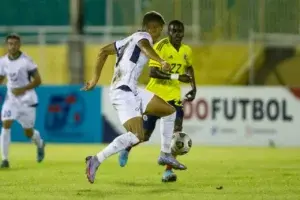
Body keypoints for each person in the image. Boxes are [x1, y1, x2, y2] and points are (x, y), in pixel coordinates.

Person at [81, 11, 187, 184]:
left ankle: (165, 154)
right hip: (122, 92)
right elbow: (145, 46)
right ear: (152, 28)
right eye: (159, 30)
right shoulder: (143, 36)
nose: (159, 34)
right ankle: (96, 160)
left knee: (169, 111)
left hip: (133, 90)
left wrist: (94, 80)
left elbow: (102, 52)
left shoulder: (126, 41)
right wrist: (161, 61)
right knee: (137, 135)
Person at [118, 20, 197, 182]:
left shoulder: (186, 50)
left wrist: (193, 87)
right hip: (155, 98)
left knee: (176, 134)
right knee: (144, 135)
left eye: (180, 31)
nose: (178, 34)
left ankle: (168, 171)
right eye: (174, 31)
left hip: (174, 98)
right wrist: (176, 76)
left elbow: (189, 67)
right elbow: (153, 73)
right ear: (169, 33)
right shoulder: (160, 47)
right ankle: (127, 147)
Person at [0, 34, 46, 168]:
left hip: (27, 100)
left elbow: (38, 80)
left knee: (28, 132)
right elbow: (1, 78)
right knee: (6, 124)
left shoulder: (27, 61)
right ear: (7, 45)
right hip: (11, 100)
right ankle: (5, 160)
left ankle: (40, 143)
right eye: (10, 44)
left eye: (15, 44)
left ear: (19, 45)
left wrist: (22, 89)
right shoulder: (3, 61)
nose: (12, 46)